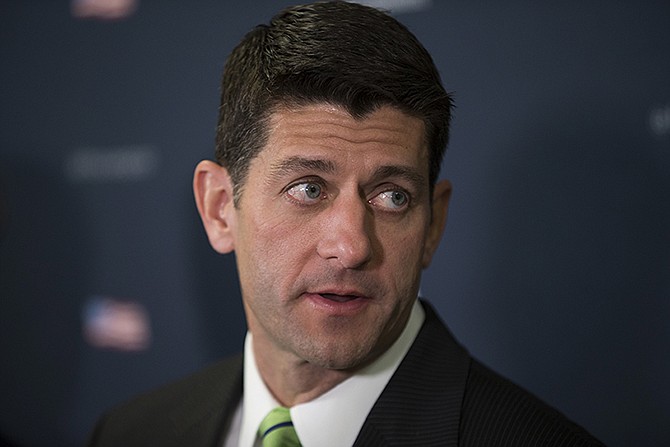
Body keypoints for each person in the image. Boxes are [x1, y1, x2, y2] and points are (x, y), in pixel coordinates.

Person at [88, 2, 603, 446]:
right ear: (220, 207)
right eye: (308, 188)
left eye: (392, 196)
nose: (351, 246)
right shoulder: (130, 432)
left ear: (433, 225)